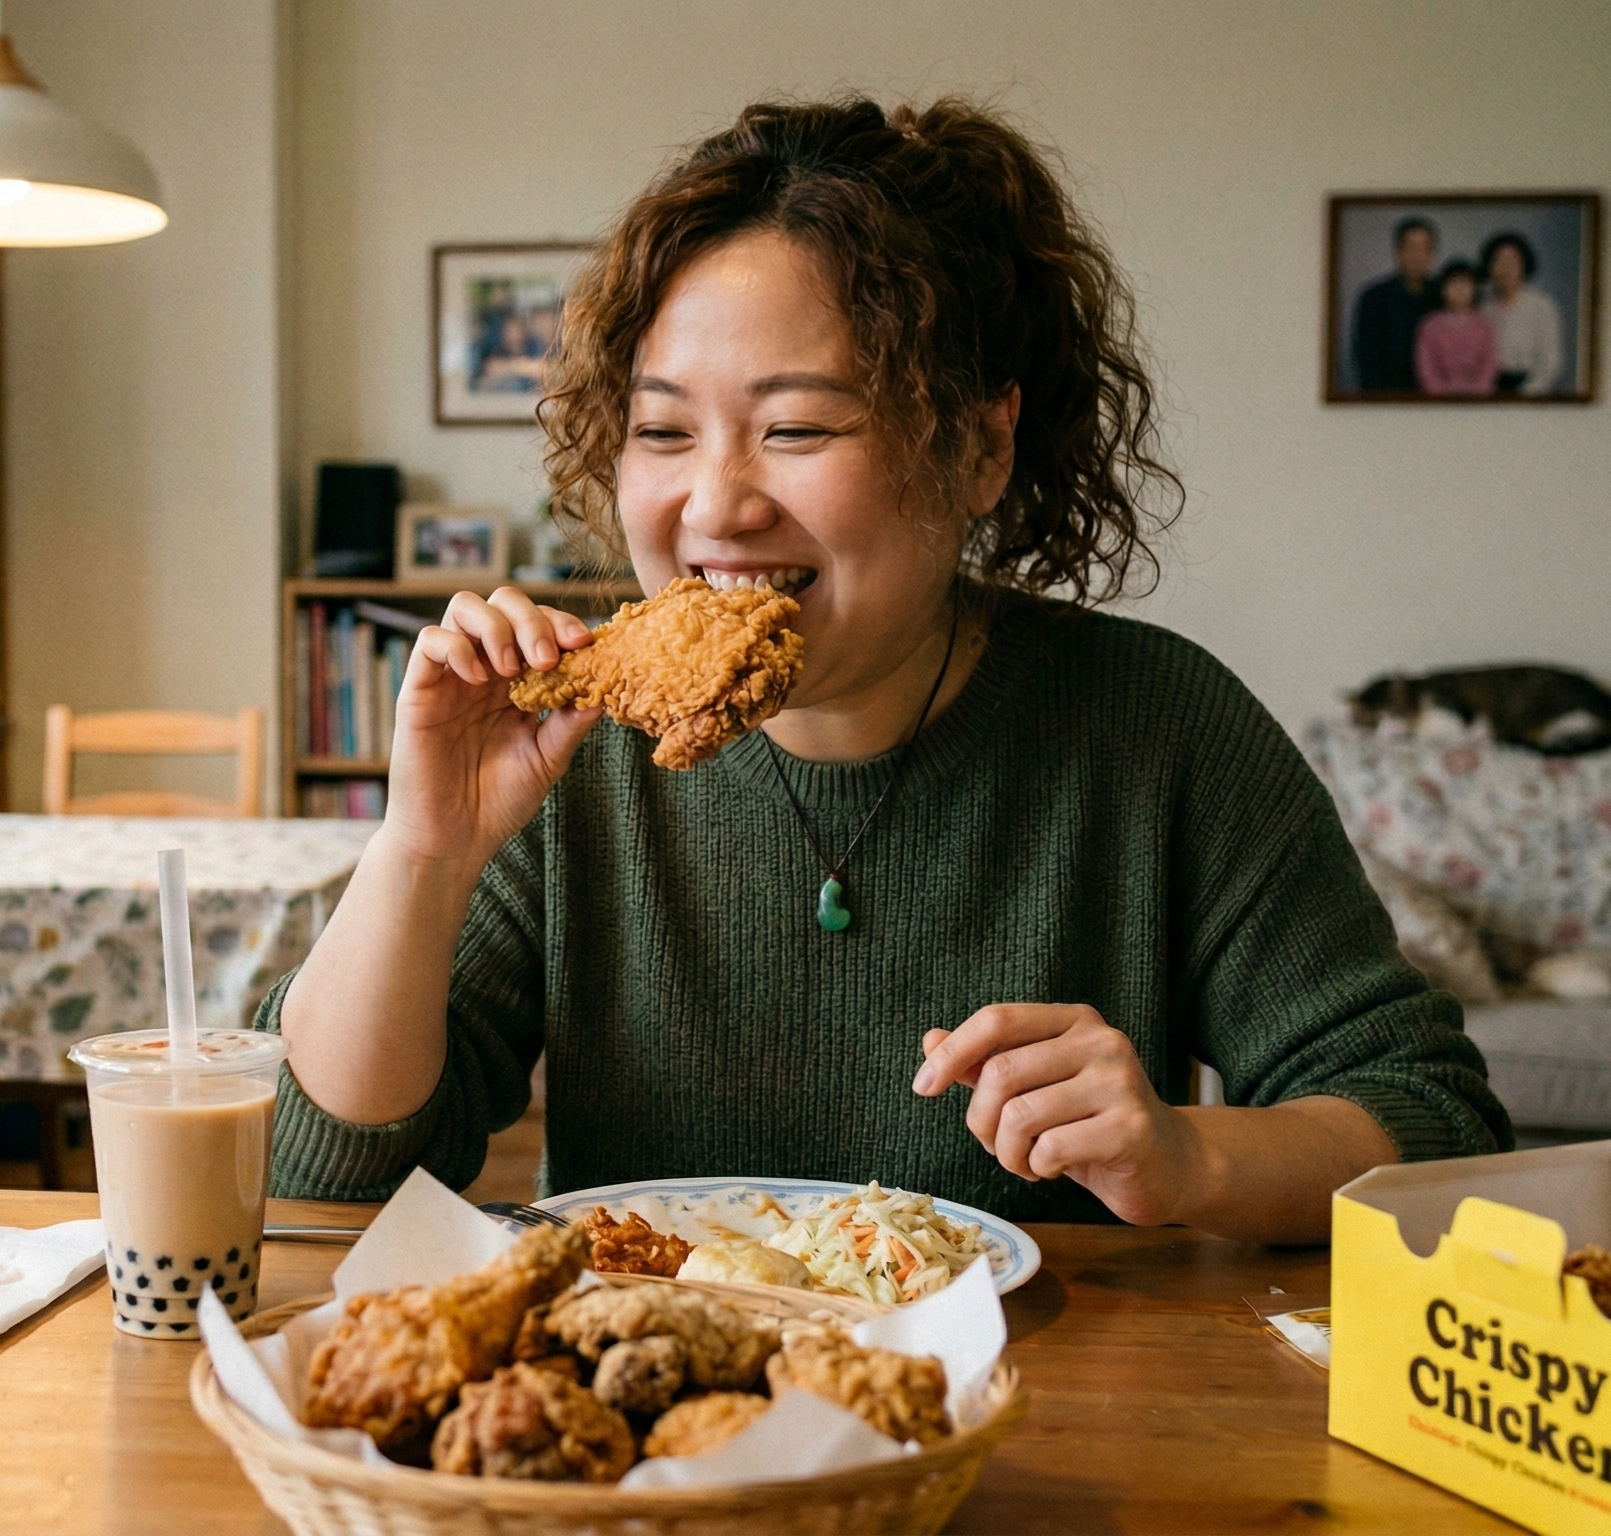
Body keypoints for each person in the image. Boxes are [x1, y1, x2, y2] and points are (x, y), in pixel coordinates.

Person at [266, 97, 1508, 1244]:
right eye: (660, 430)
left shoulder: (1155, 726)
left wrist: (1189, 1158)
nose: (715, 504)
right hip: (652, 1393)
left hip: (1035, 1392)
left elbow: (1434, 1130)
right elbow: (317, 1176)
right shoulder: (569, 746)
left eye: (797, 427)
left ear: (978, 447)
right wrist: (422, 851)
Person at [1349, 216, 1438, 392]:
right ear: (1398, 253)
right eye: (1412, 248)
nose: (1418, 256)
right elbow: (1366, 360)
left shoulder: (1442, 296)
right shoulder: (1374, 298)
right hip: (1387, 395)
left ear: (1432, 254)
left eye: (1425, 249)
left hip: (1435, 397)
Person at [1477, 233, 1561, 396]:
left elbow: (1550, 361)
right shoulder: (1482, 305)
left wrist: (1525, 394)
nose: (1505, 268)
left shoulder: (1542, 306)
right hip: (1488, 389)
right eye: (1498, 261)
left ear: (1524, 265)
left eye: (1512, 261)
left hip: (1531, 388)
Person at [1414, 261, 1498, 396]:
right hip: (1437, 401)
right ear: (1443, 289)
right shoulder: (1430, 325)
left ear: (1474, 288)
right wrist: (1442, 393)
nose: (1459, 289)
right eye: (1453, 284)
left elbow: (1489, 365)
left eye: (1465, 284)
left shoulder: (1483, 325)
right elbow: (1425, 367)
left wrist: (1475, 393)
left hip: (1477, 400)